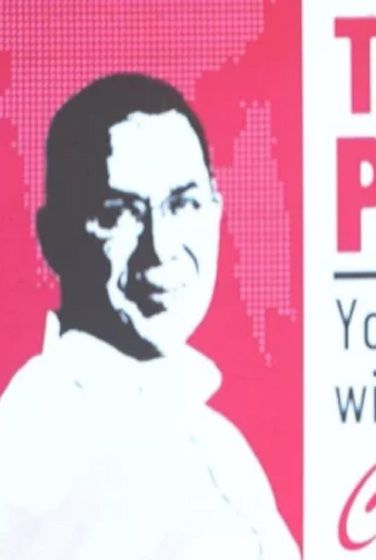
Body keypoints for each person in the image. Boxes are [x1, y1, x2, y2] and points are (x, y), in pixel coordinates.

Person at [0, 74, 299, 559]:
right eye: (118, 213)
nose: (159, 248)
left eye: (183, 204)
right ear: (54, 238)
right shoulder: (38, 446)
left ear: (215, 210)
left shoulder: (217, 442)